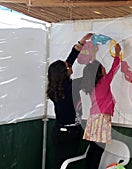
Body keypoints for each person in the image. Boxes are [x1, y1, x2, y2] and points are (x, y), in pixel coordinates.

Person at [46, 33, 93, 169]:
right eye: (67, 66)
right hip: (68, 134)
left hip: (62, 132)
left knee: (62, 164)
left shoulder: (58, 86)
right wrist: (93, 61)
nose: (70, 65)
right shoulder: (70, 88)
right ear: (65, 72)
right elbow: (88, 78)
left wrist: (82, 42)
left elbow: (69, 61)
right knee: (66, 164)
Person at [81, 43, 122, 168]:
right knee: (98, 150)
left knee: (93, 148)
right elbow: (114, 69)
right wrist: (117, 54)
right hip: (102, 119)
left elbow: (91, 68)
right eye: (102, 67)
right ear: (99, 72)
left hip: (93, 119)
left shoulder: (92, 85)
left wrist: (93, 53)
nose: (105, 68)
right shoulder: (104, 82)